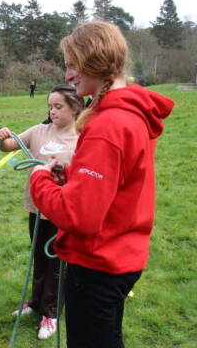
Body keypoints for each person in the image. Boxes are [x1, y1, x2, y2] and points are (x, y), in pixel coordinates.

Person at [30, 21, 175, 347]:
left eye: (72, 65)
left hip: (98, 264)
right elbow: (117, 183)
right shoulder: (130, 114)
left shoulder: (109, 125)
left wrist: (40, 179)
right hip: (122, 253)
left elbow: (78, 216)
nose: (68, 76)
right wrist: (74, 178)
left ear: (93, 60)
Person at [0, 84, 84, 340]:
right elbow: (9, 146)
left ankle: (51, 313)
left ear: (75, 108)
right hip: (37, 208)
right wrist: (1, 134)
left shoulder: (81, 138)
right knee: (40, 258)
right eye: (50, 106)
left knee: (57, 262)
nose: (52, 111)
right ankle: (35, 303)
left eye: (58, 106)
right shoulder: (39, 130)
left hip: (62, 212)